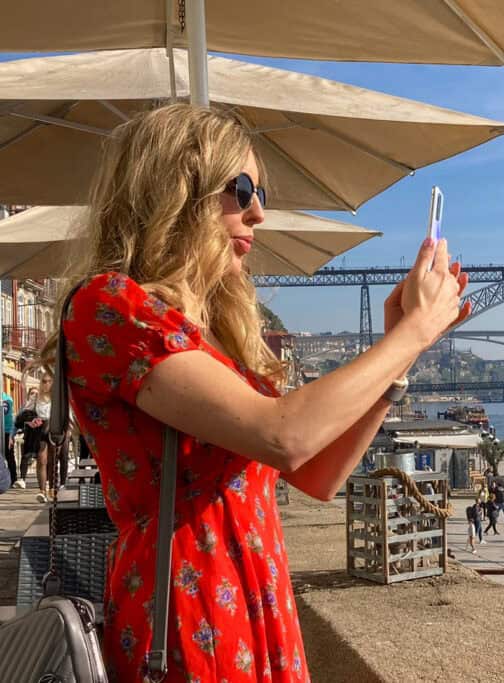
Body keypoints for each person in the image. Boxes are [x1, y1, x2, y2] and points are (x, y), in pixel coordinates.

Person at [44, 104, 469, 681]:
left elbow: (317, 475)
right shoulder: (111, 306)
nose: (259, 212)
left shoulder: (213, 337)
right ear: (177, 188)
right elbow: (284, 434)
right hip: (188, 617)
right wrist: (414, 330)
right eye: (241, 189)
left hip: (257, 606)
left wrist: (402, 350)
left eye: (260, 191)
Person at [15, 379, 52, 502]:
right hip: (40, 431)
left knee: (54, 461)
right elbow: (23, 415)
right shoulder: (36, 397)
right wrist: (32, 419)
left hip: (55, 431)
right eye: (44, 381)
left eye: (49, 381)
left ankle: (53, 488)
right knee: (42, 460)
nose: (46, 384)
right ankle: (42, 491)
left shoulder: (57, 396)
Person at [2, 389, 14, 488]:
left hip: (6, 430)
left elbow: (8, 415)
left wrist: (11, 433)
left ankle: (13, 479)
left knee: (9, 455)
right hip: (6, 430)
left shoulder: (6, 399)